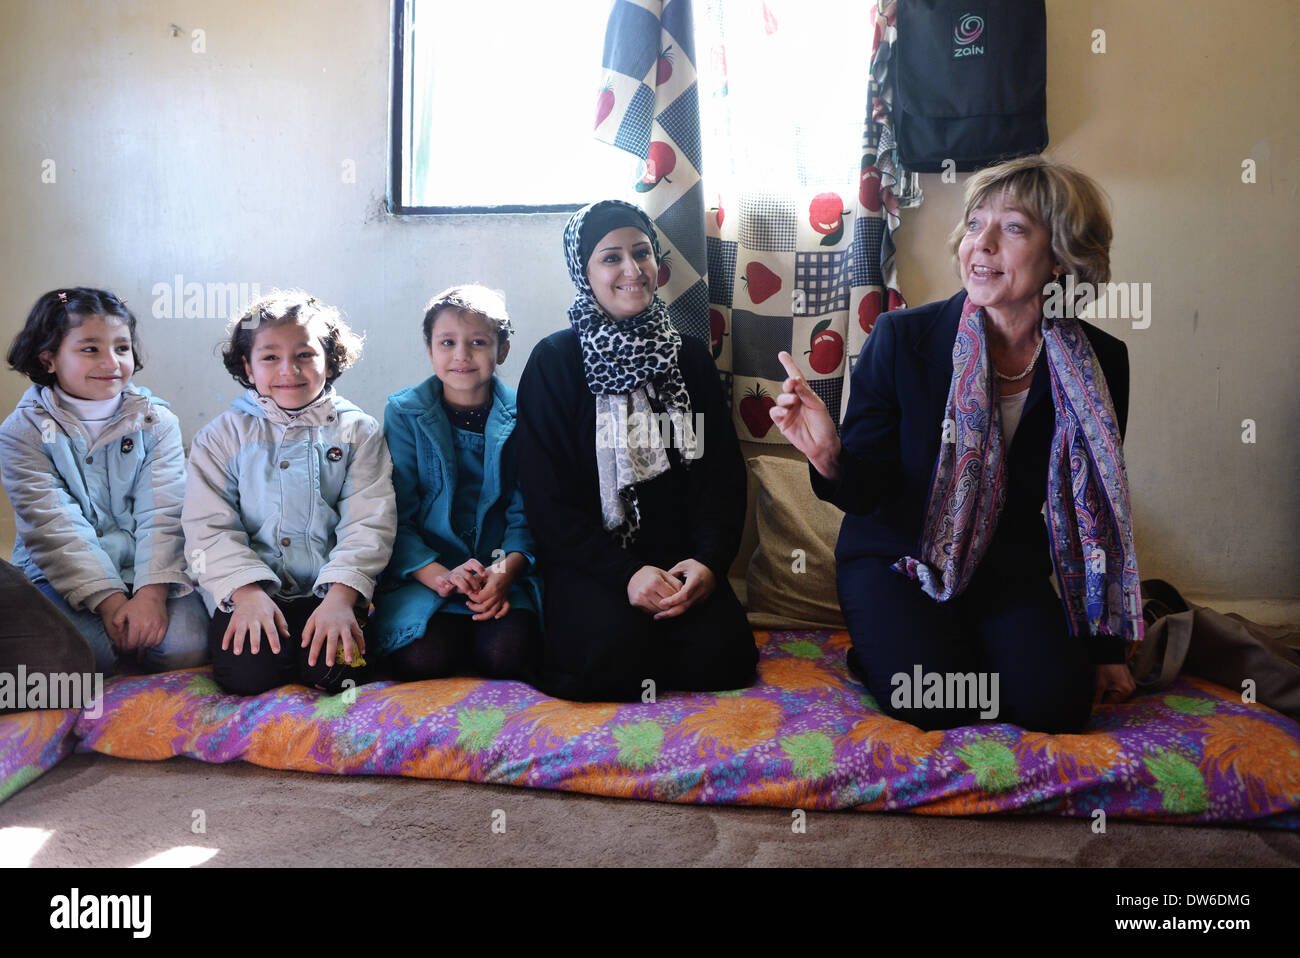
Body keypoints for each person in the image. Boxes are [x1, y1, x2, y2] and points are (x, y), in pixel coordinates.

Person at [772, 156, 1140, 733]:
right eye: (974, 225)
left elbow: (1092, 514)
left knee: (1059, 707)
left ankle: (967, 640)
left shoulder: (1100, 363)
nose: (982, 244)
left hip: (1004, 566)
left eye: (1013, 228)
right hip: (899, 556)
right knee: (932, 700)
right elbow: (873, 488)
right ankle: (893, 651)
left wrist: (1106, 650)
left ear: (1062, 257)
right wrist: (830, 456)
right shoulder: (902, 338)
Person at [516, 199, 757, 702]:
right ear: (583, 271)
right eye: (611, 258)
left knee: (726, 660)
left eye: (642, 253)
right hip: (596, 564)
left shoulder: (688, 356)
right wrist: (625, 575)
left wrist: (708, 564)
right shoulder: (555, 362)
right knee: (604, 666)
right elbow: (546, 501)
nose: (632, 270)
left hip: (678, 562)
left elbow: (722, 477)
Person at [183, 290, 396, 695]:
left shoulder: (358, 431)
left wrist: (340, 596)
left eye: (304, 355)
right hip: (252, 592)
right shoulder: (221, 437)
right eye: (269, 357)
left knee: (337, 678)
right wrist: (245, 592)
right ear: (246, 365)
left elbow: (370, 521)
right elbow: (206, 525)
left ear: (329, 360)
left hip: (331, 591)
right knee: (248, 678)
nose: (289, 370)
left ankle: (321, 636)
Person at [1, 288, 208, 675]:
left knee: (186, 649)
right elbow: (54, 528)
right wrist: (110, 603)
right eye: (90, 349)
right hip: (62, 574)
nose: (112, 362)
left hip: (149, 571)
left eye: (122, 348)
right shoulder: (21, 432)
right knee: (89, 655)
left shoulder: (156, 422)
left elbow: (164, 512)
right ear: (49, 359)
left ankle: (140, 625)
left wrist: (151, 595)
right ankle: (119, 631)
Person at [371, 285, 543, 681]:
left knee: (507, 654)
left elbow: (527, 513)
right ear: (430, 350)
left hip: (500, 574)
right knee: (422, 658)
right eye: (447, 342)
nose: (461, 355)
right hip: (425, 574)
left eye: (478, 342)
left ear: (502, 350)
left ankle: (483, 634)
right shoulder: (405, 413)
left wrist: (504, 572)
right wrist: (439, 575)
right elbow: (395, 511)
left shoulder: (525, 414)